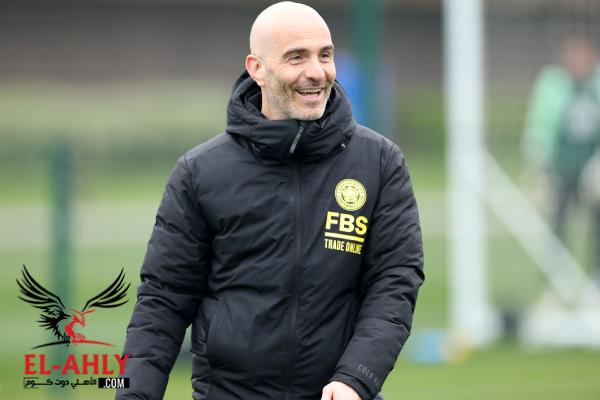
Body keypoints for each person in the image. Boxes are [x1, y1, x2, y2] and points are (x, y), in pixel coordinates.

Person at [116, 2, 424, 400]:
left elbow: (395, 282)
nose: (317, 71)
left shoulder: (379, 162)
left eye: (324, 55)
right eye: (297, 57)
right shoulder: (200, 171)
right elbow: (163, 299)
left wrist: (356, 378)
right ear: (257, 69)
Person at [522, 36, 600, 281]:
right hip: (563, 169)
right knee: (558, 223)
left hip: (592, 167)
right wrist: (537, 167)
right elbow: (540, 126)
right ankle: (555, 280)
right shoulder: (553, 86)